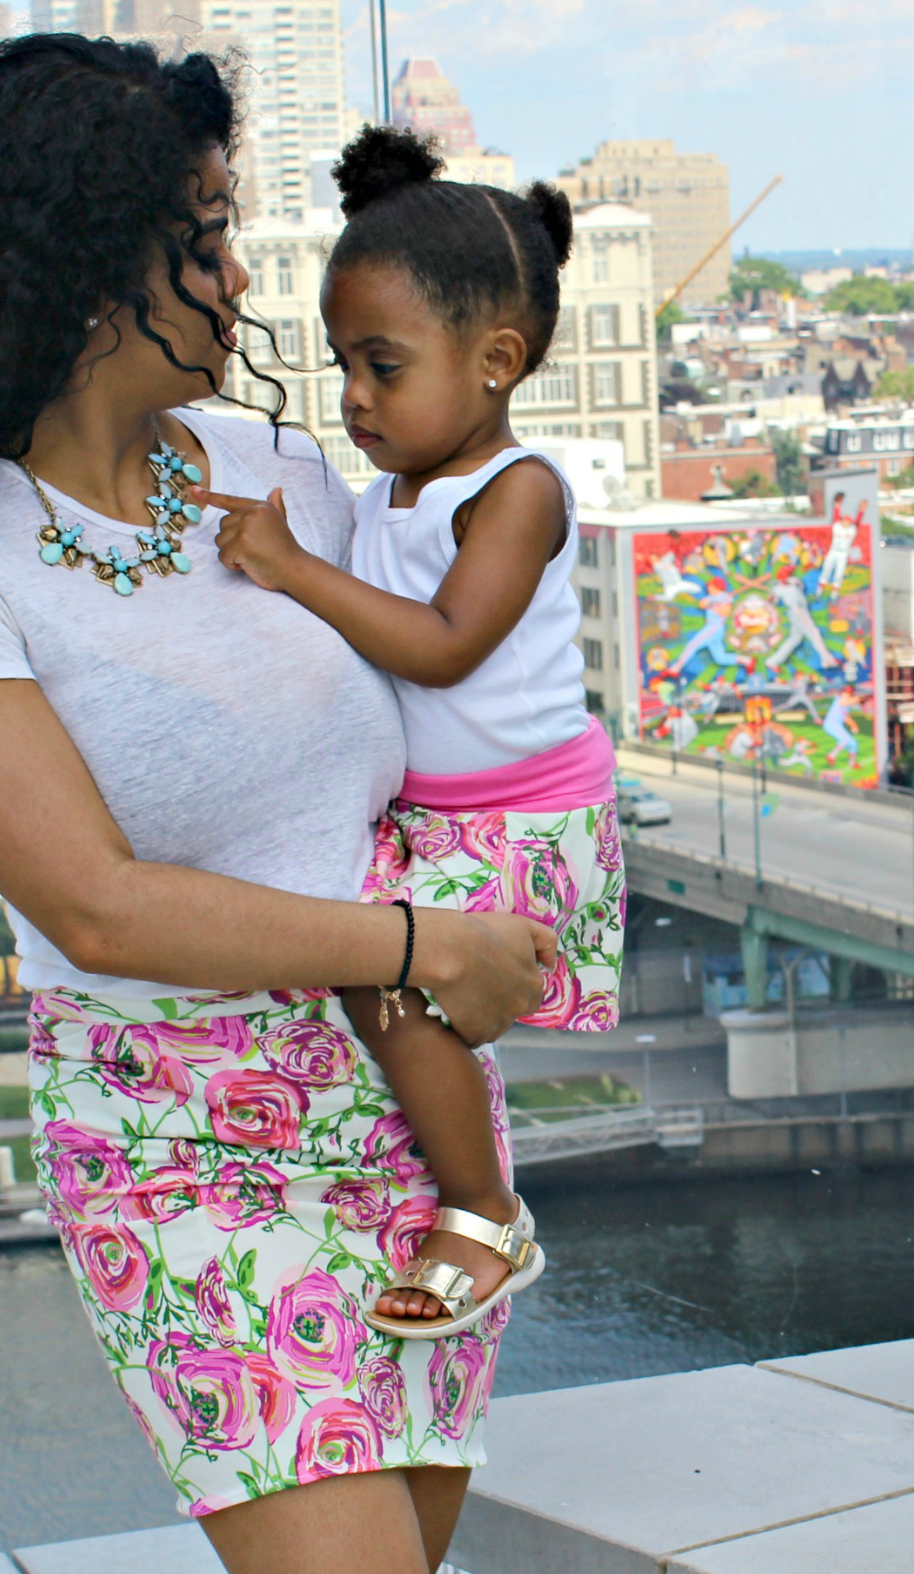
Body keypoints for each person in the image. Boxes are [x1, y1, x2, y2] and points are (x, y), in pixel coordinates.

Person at [0, 37, 554, 1574]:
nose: (245, 282)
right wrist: (413, 948)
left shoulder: (274, 476)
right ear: (86, 265)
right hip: (183, 1136)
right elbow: (95, 899)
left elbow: (458, 678)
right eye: (208, 240)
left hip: (403, 1110)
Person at [203, 128, 625, 1338]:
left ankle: (483, 1210)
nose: (353, 398)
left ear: (497, 360)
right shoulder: (391, 488)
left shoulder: (518, 490)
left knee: (392, 986)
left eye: (382, 366)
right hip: (436, 811)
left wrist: (285, 565)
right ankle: (458, 1190)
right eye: (344, 366)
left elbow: (444, 643)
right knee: (372, 981)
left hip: (523, 810)